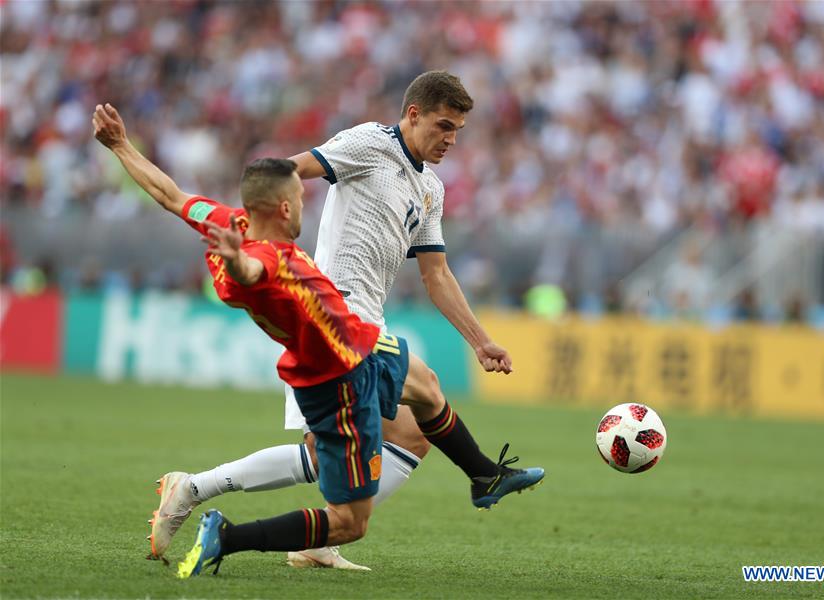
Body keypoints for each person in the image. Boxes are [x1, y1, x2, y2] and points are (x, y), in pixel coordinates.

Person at [92, 103, 543, 578]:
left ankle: (482, 475)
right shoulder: (273, 260)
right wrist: (242, 266)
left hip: (351, 343)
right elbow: (256, 271)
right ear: (285, 207)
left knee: (421, 406)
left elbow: (171, 195)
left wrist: (122, 146)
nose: (310, 205)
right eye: (302, 200)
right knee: (346, 500)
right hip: (344, 361)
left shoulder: (230, 223)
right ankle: (214, 508)